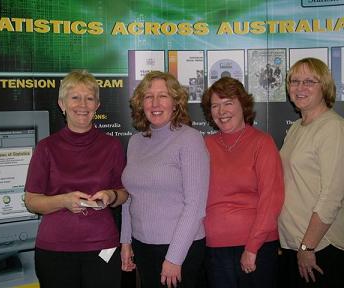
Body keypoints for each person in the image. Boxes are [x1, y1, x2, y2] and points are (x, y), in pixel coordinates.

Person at [24, 70, 128, 288]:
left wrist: (110, 195)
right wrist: (64, 201)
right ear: (62, 104)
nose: (83, 104)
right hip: (55, 250)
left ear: (97, 105)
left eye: (89, 98)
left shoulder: (112, 146)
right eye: (75, 97)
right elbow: (31, 201)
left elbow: (123, 193)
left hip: (103, 248)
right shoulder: (46, 148)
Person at [120, 71, 210, 288]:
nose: (155, 103)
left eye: (163, 96)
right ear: (141, 103)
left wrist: (174, 258)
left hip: (179, 249)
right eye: (148, 96)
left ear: (175, 103)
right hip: (142, 246)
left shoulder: (190, 139)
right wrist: (126, 241)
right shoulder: (135, 142)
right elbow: (130, 198)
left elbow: (195, 207)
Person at [201, 76, 284, 288]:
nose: (221, 111)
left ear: (243, 105)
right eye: (215, 106)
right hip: (213, 248)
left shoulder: (261, 142)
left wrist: (252, 248)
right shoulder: (204, 145)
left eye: (228, 103)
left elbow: (271, 199)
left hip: (255, 246)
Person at [278, 57, 344, 287]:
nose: (300, 88)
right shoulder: (296, 127)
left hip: (319, 249)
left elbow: (332, 196)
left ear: (324, 86)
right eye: (294, 81)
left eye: (309, 81)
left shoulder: (332, 128)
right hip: (292, 245)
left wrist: (308, 246)